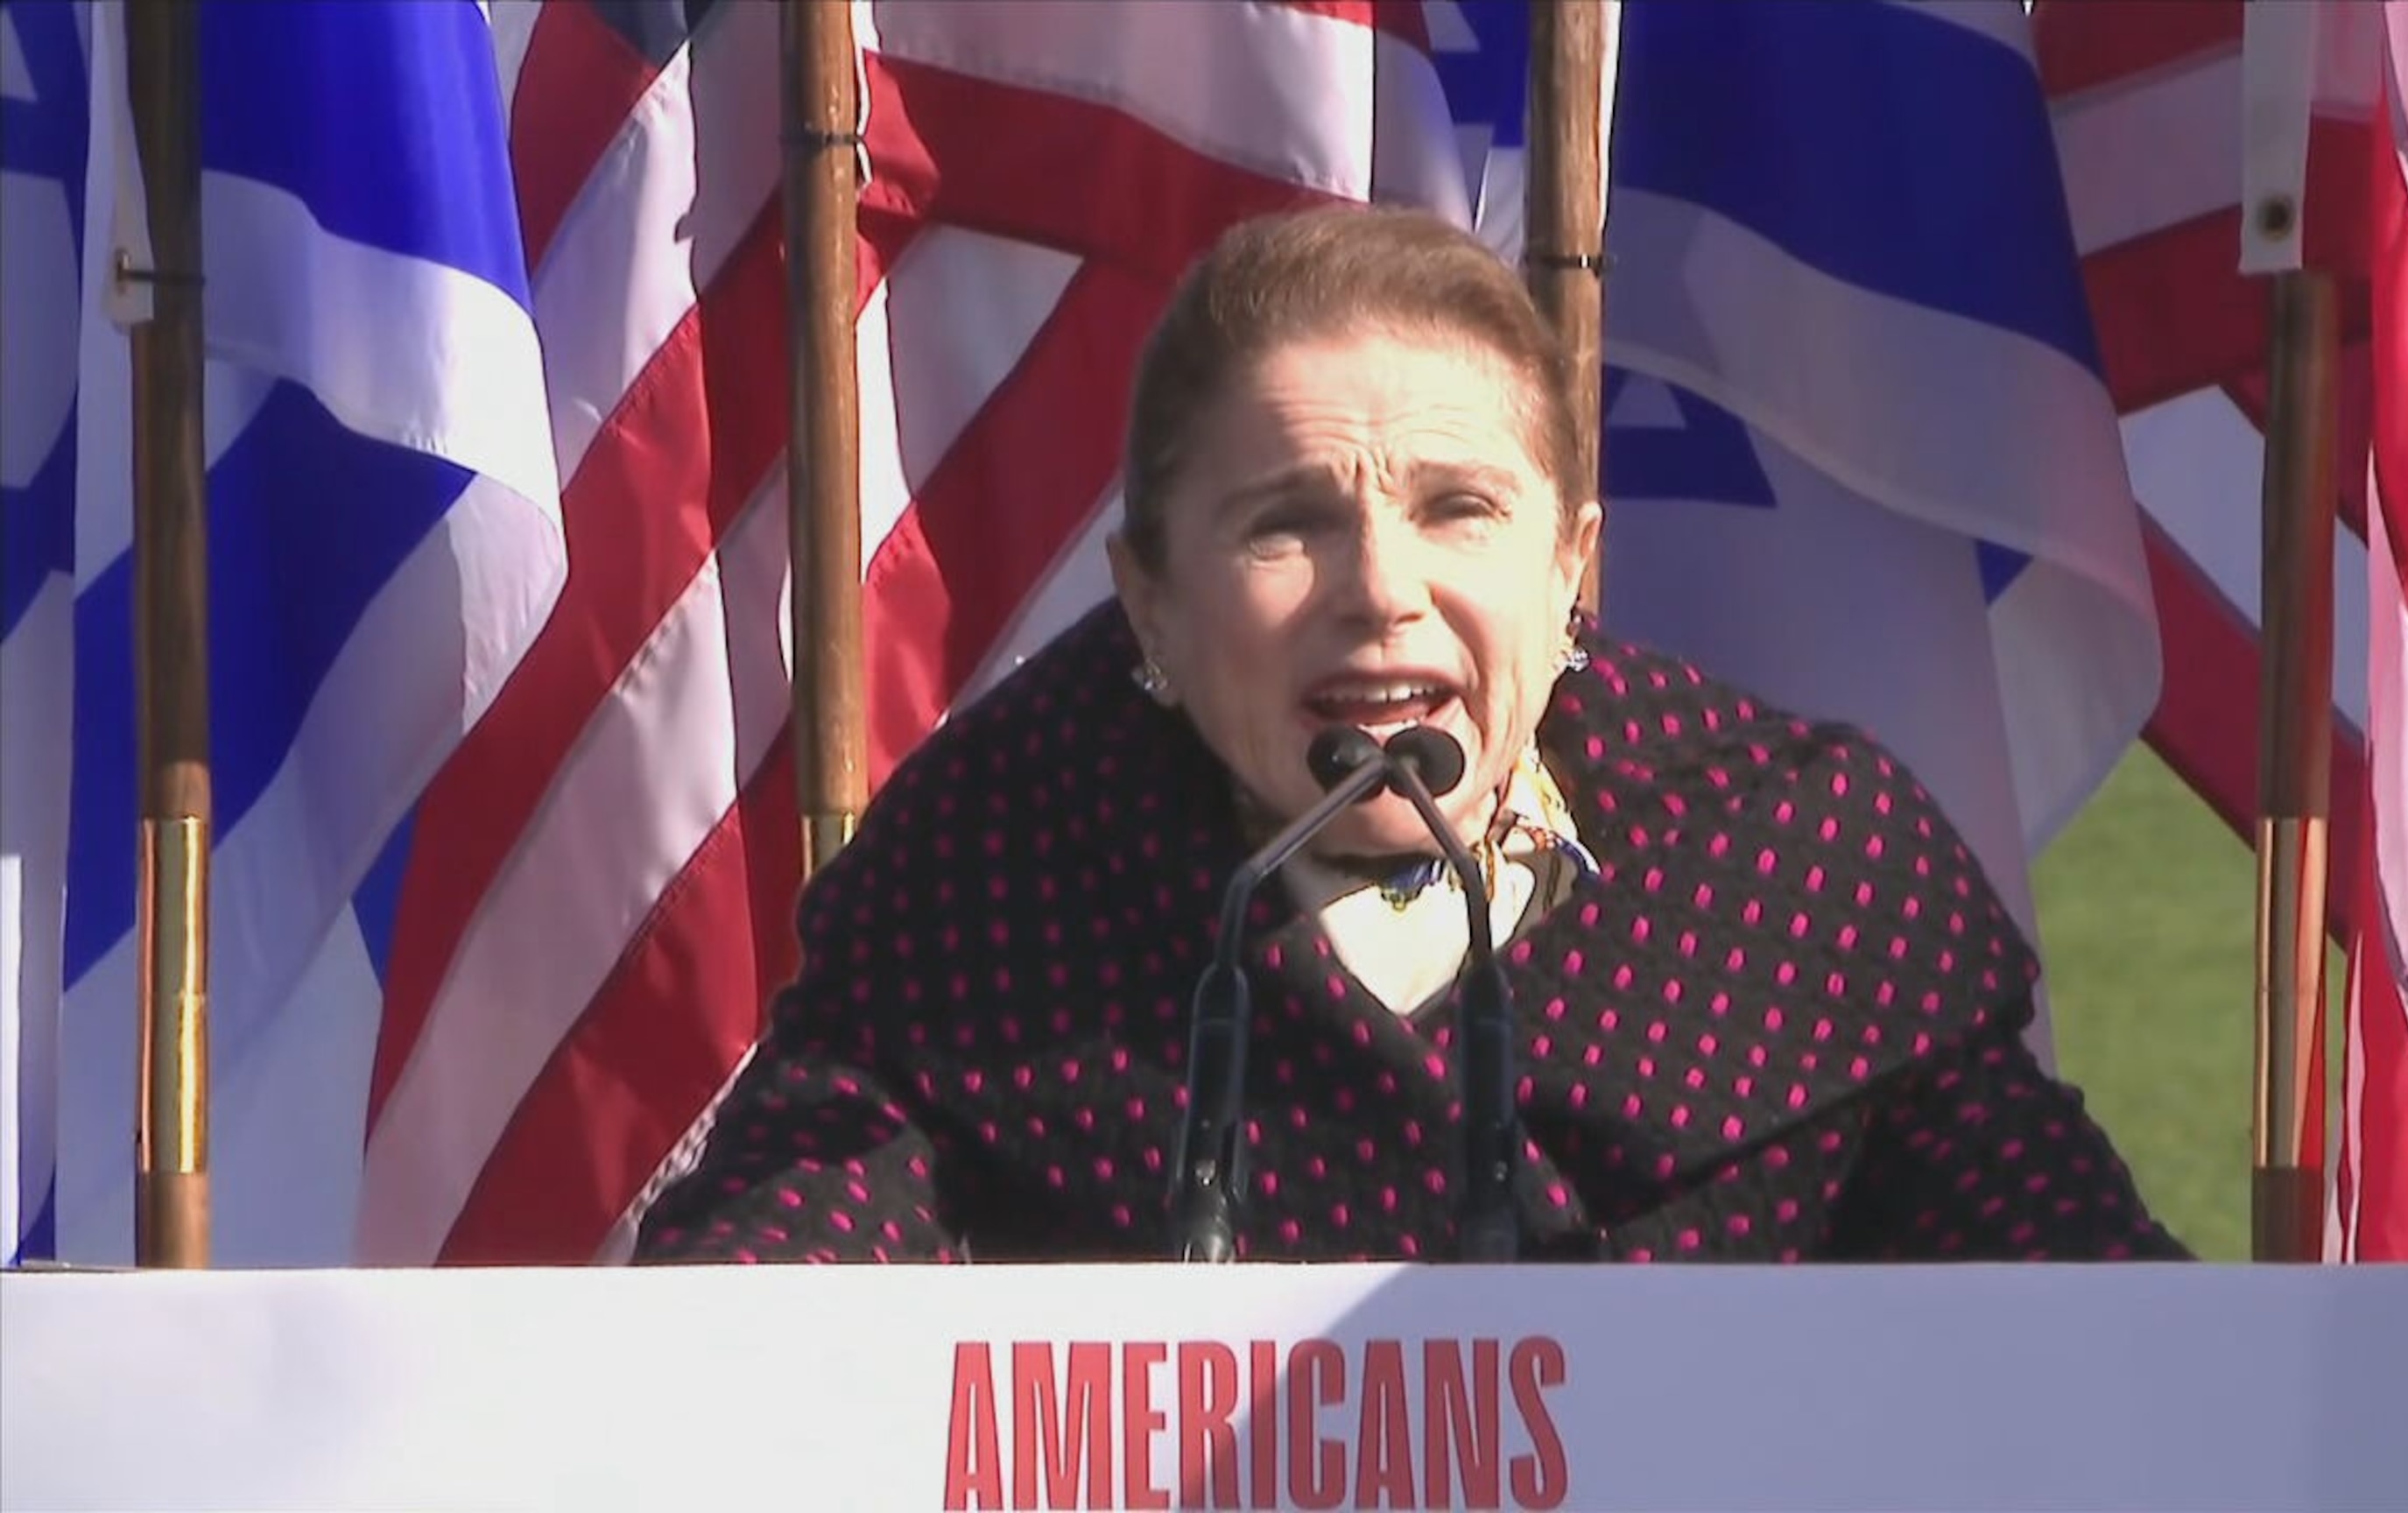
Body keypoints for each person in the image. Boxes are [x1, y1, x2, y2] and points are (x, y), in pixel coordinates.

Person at [636, 205, 2188, 1265]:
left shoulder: (1801, 867)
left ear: (1571, 569)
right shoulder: (986, 876)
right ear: (1151, 609)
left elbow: (2103, 1336)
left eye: (1458, 510)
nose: (1382, 591)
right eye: (1285, 527)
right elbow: (755, 1330)